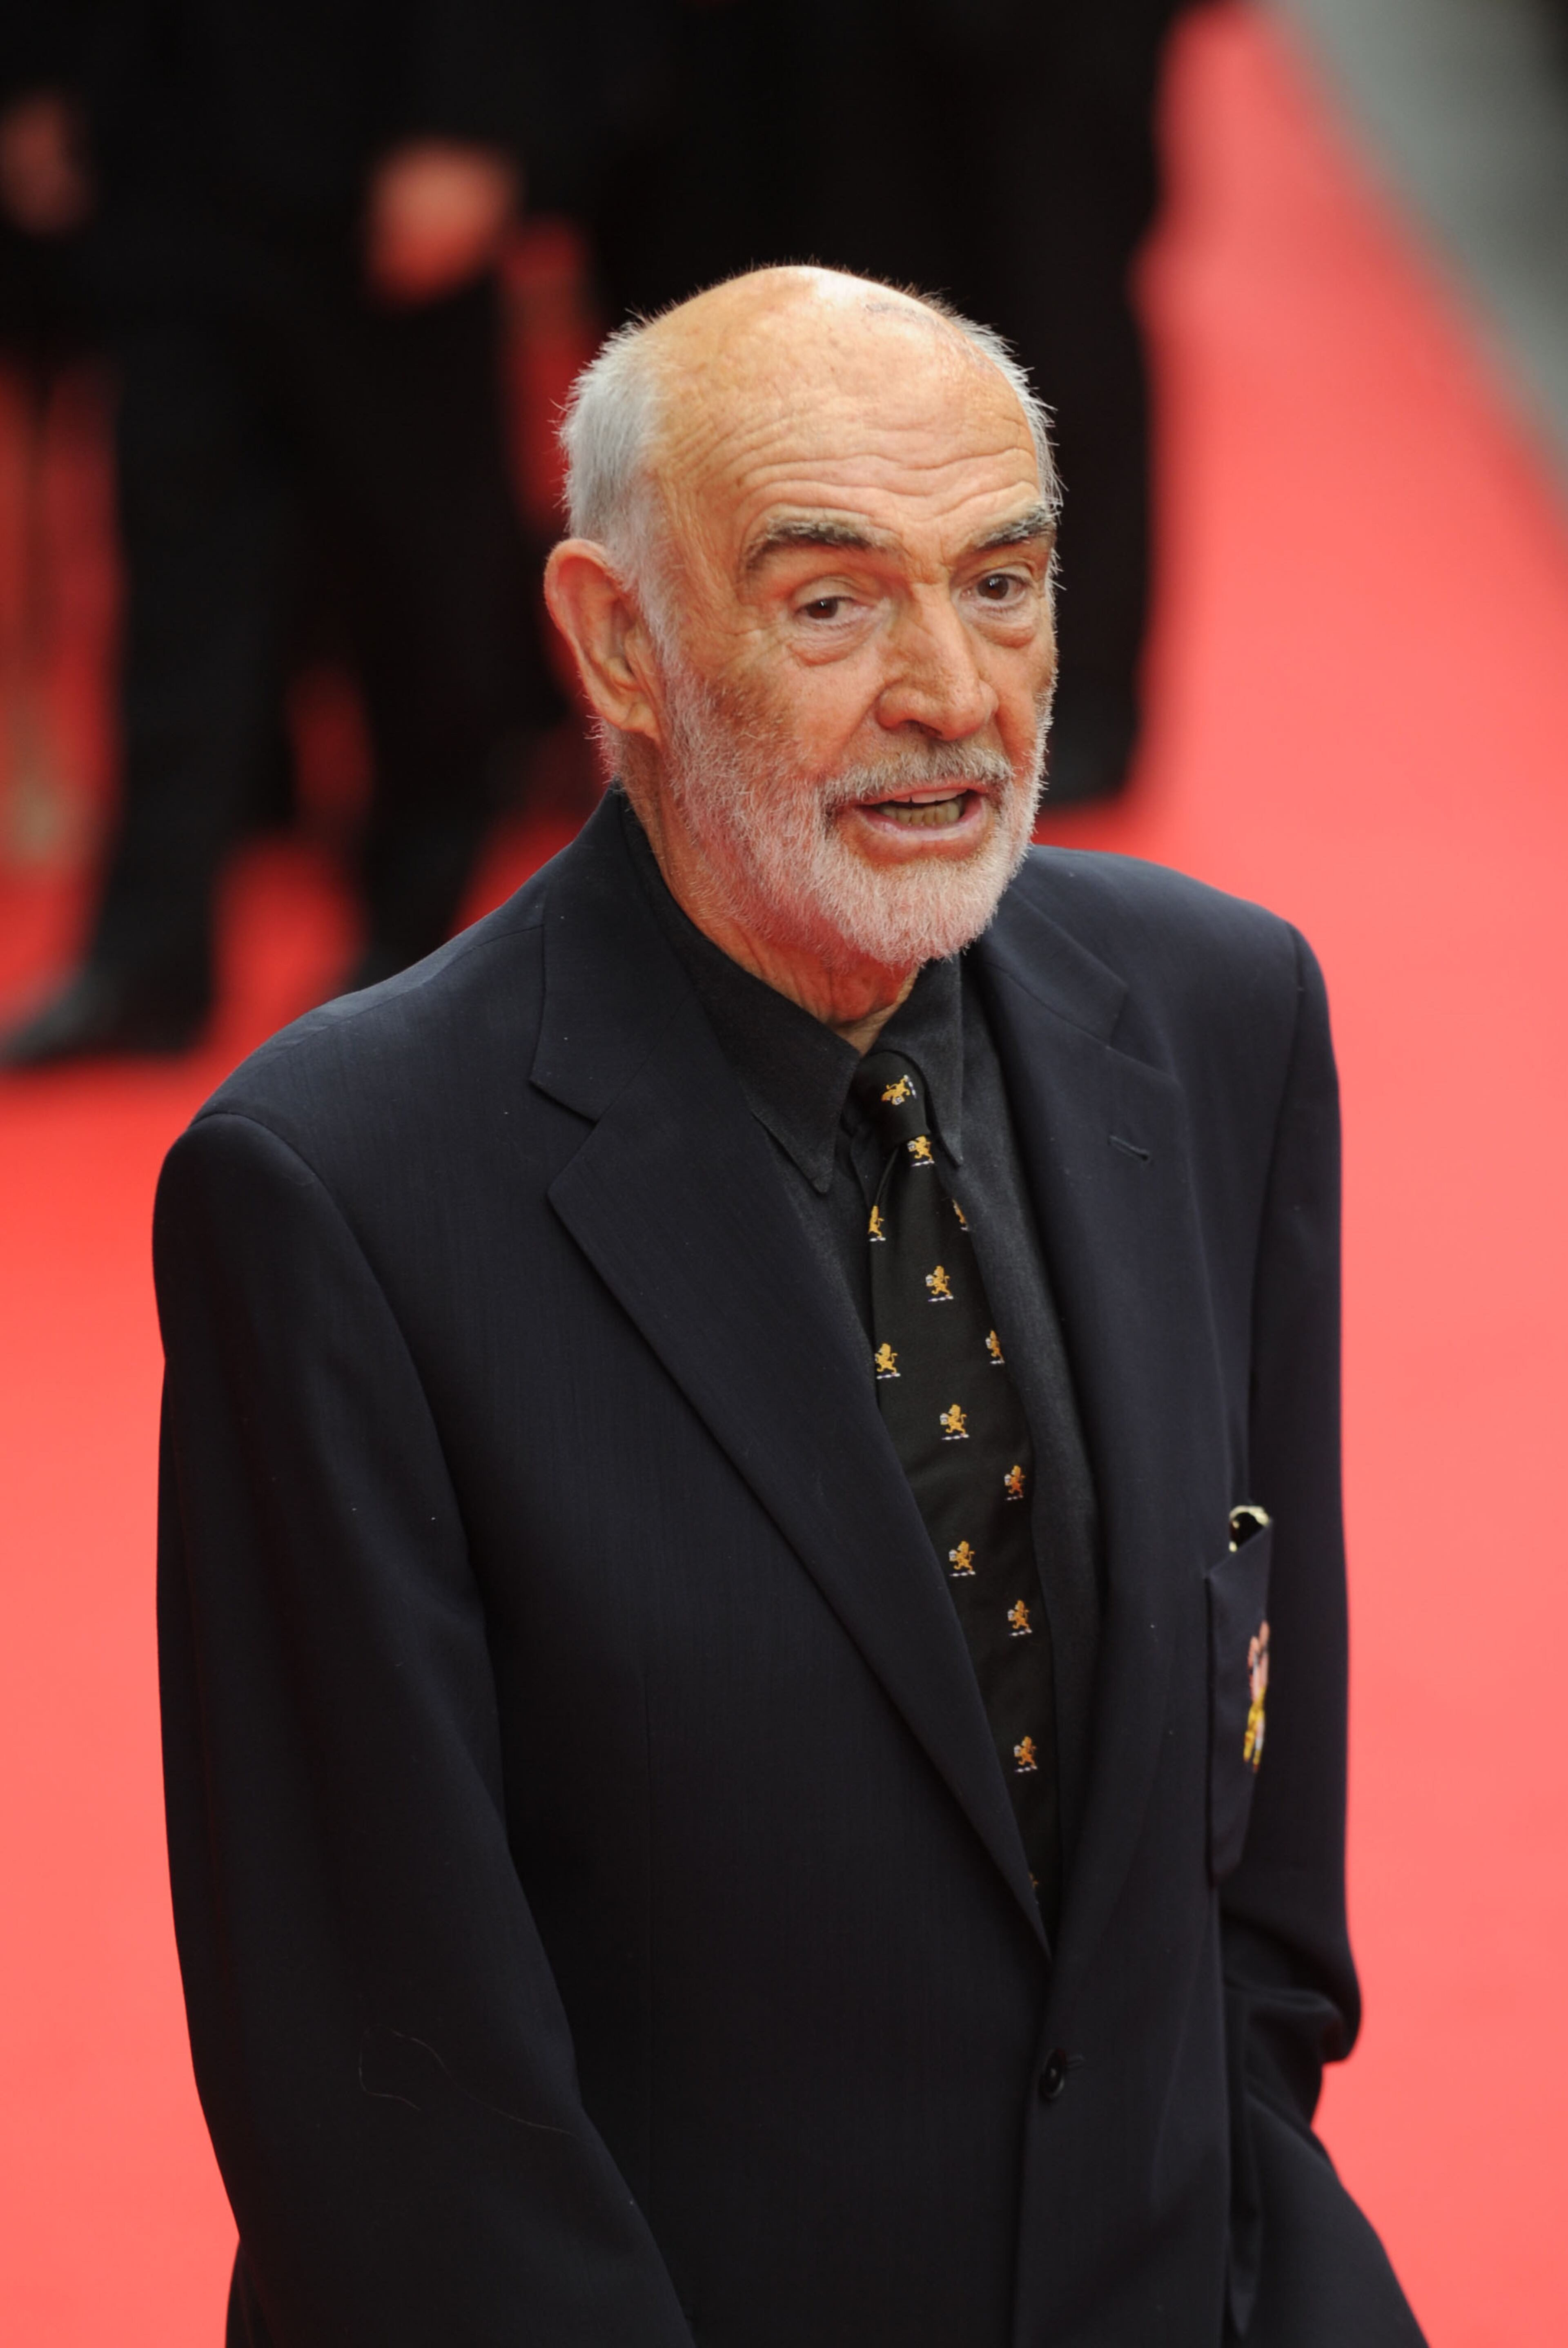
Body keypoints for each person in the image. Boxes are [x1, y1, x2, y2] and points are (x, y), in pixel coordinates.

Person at [154, 267, 1425, 2346]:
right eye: (831, 603)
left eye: (1001, 581)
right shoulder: (340, 1188)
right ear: (619, 645)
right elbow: (389, 2099)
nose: (951, 688)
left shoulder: (1215, 1016)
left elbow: (1252, 1846)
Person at [0, 0, 571, 1067]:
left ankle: (423, 939)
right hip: (163, 144)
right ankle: (145, 958)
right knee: (171, 570)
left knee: (415, 562)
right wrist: (39, 73)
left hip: (374, 139)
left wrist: (470, 117)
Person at [587, 0, 1189, 804]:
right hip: (806, 44)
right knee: (816, 319)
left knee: (1062, 328)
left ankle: (1075, 695)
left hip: (1045, 43)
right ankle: (787, 675)